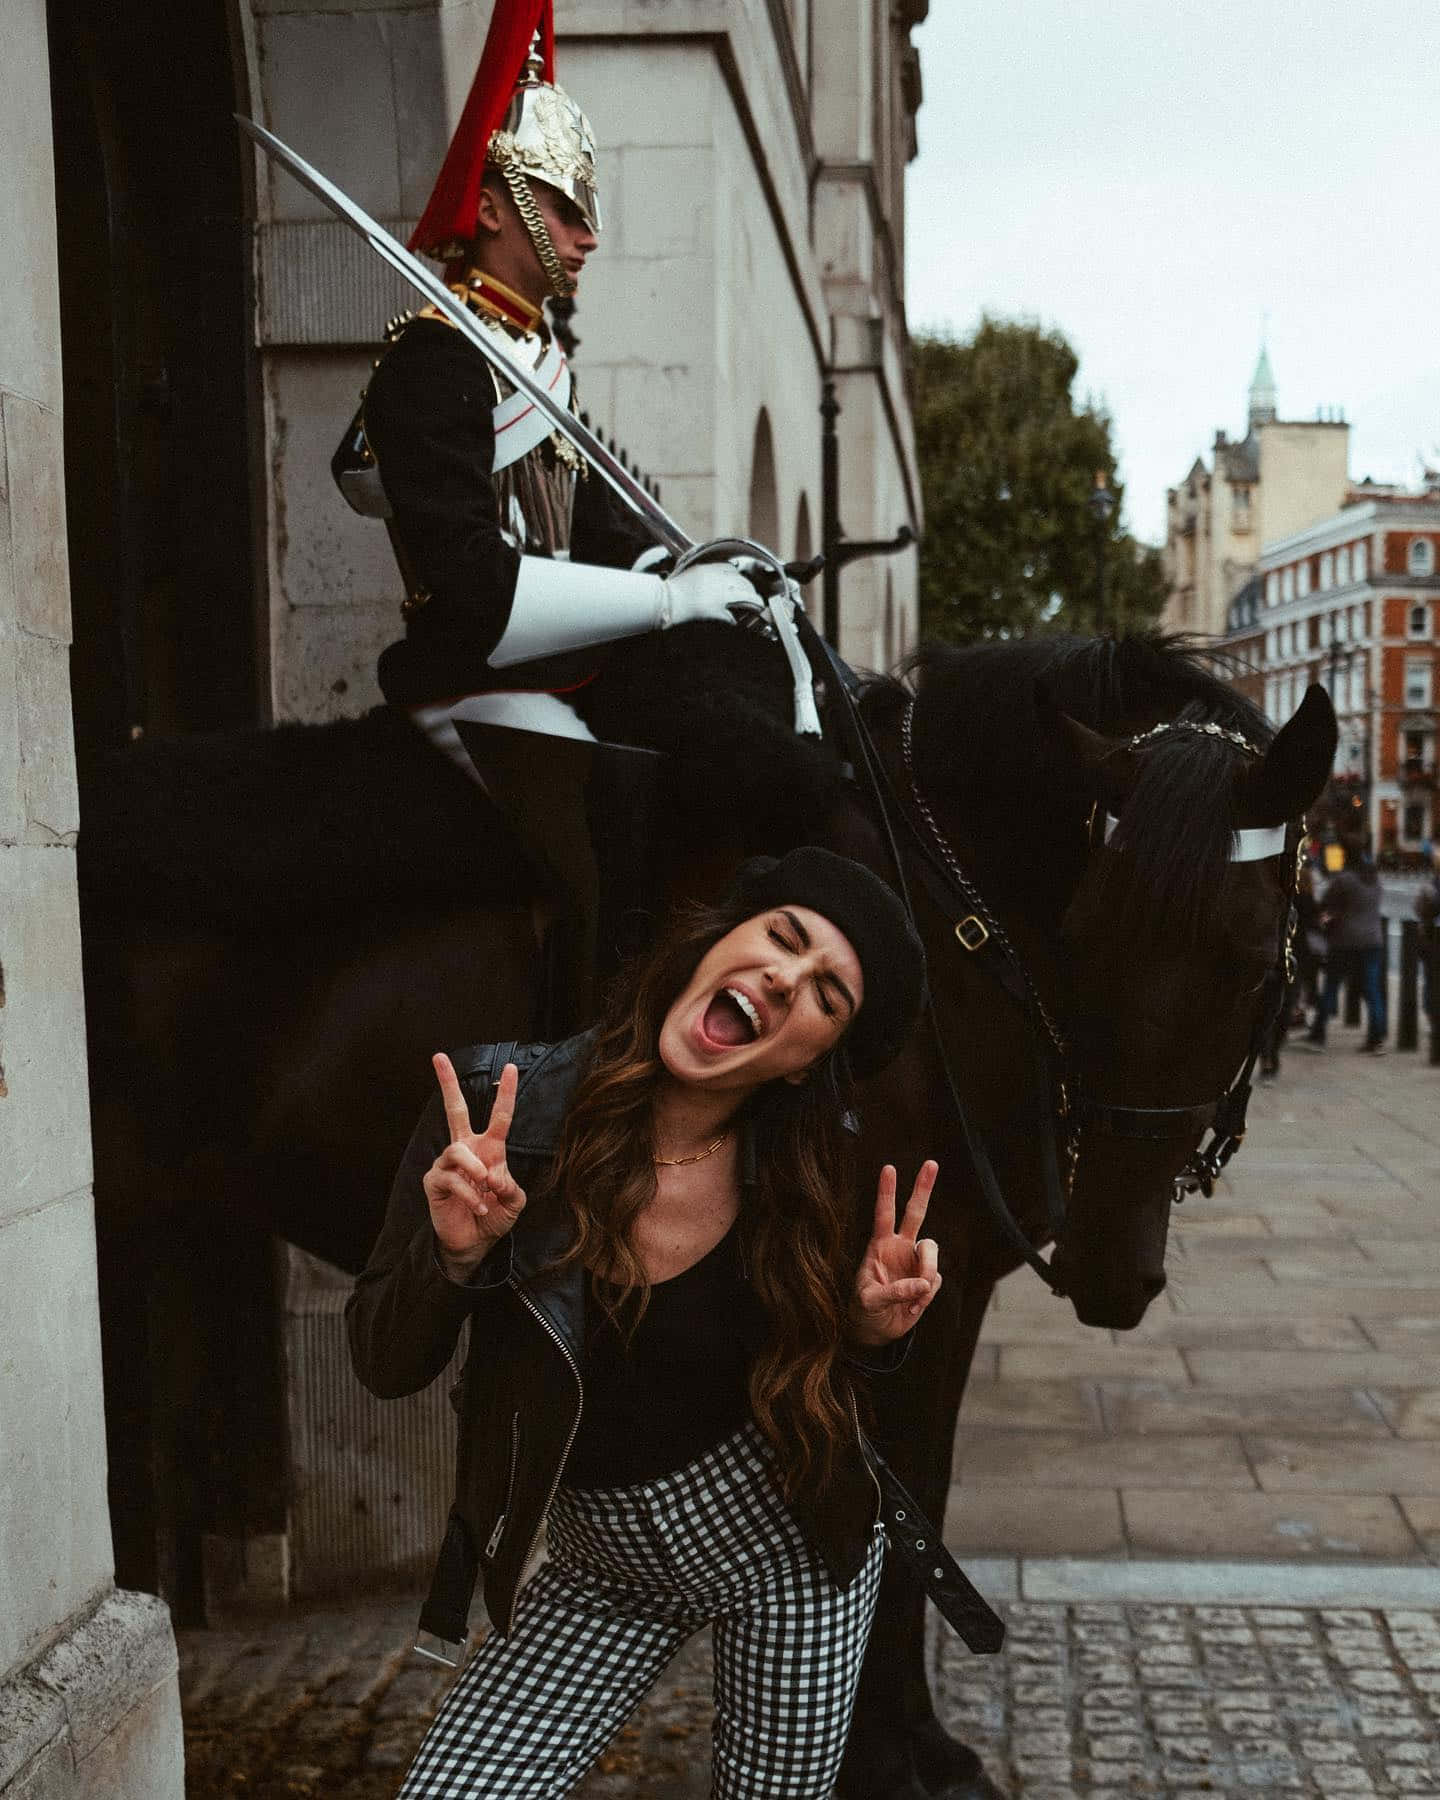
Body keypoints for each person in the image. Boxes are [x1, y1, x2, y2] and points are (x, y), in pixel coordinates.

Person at [347, 848, 940, 1798]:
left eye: (827, 995)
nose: (786, 979)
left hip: (790, 1549)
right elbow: (383, 1359)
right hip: (600, 1571)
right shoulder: (499, 1115)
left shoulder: (815, 1173)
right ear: (716, 943)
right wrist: (454, 1255)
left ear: (810, 1062)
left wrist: (872, 1334)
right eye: (781, 939)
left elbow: (838, 1387)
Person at [333, 2, 770, 1017]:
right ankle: (578, 1088)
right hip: (477, 683)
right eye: (565, 208)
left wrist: (689, 575)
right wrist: (663, 607)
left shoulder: (537, 363)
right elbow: (478, 596)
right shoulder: (434, 365)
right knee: (600, 876)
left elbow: (597, 531)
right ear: (493, 209)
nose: (589, 234)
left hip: (564, 674)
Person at [1304, 845, 1387, 1052]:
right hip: (1373, 940)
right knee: (1372, 989)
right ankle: (1376, 1037)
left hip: (1345, 941)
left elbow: (1326, 902)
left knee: (1332, 986)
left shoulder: (1344, 880)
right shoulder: (1376, 881)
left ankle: (1319, 1032)